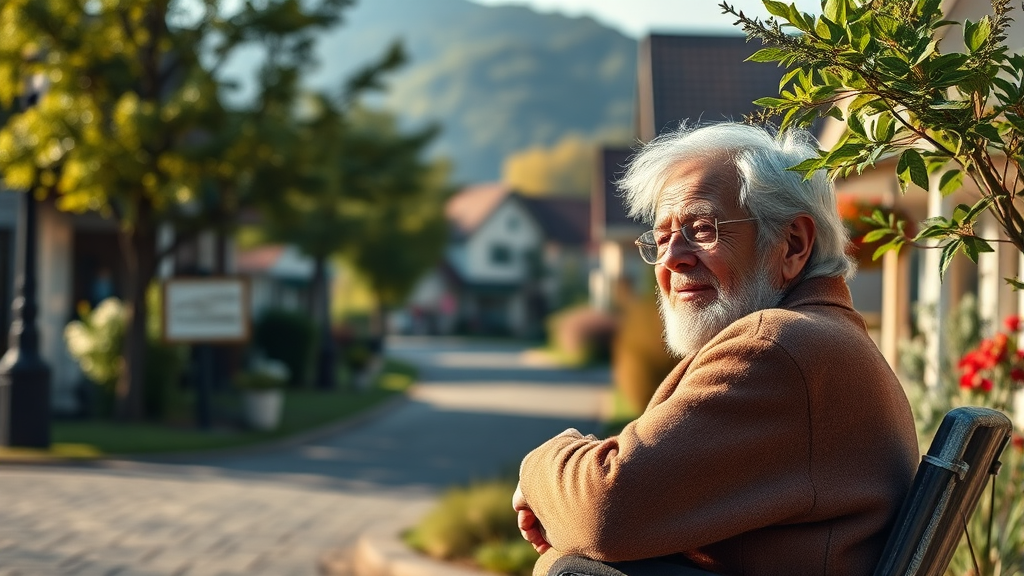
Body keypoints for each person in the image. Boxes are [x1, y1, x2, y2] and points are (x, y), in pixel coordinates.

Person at [513, 123, 920, 576]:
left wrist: (542, 462)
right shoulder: (817, 338)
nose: (672, 259)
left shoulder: (778, 347)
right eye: (662, 237)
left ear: (793, 245)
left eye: (702, 229)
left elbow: (602, 510)